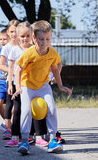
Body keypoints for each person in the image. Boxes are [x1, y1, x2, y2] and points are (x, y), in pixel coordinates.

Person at [12, 20, 72, 155]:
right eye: (41, 39)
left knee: (51, 109)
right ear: (34, 38)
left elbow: (56, 68)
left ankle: (52, 140)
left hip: (43, 85)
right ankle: (25, 141)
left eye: (47, 39)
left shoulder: (52, 53)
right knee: (26, 110)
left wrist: (60, 85)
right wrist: (17, 88)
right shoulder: (29, 53)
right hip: (27, 86)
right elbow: (18, 70)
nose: (44, 42)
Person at [0, 19, 20, 139]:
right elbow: (1, 65)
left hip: (22, 80)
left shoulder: (23, 45)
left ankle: (19, 128)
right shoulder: (6, 47)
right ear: (8, 32)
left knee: (19, 106)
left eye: (16, 31)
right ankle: (7, 128)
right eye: (11, 31)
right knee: (9, 104)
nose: (14, 34)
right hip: (10, 81)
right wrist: (12, 72)